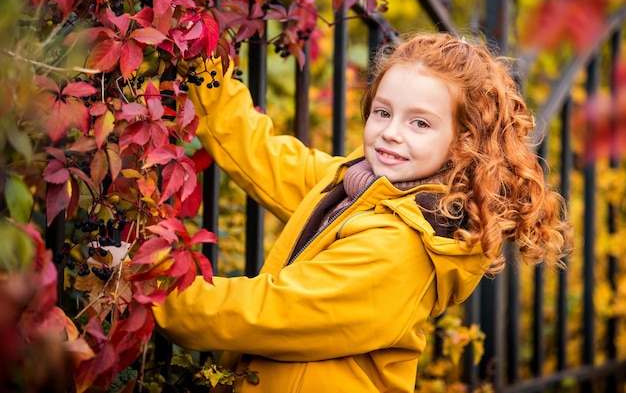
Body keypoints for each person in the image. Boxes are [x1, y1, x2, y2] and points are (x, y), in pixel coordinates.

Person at [152, 32, 572, 393]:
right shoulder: (361, 183)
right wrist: (202, 59)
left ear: (462, 140)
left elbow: (267, 311)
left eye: (420, 123)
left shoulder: (402, 249)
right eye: (383, 112)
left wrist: (145, 287)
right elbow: (263, 157)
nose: (391, 132)